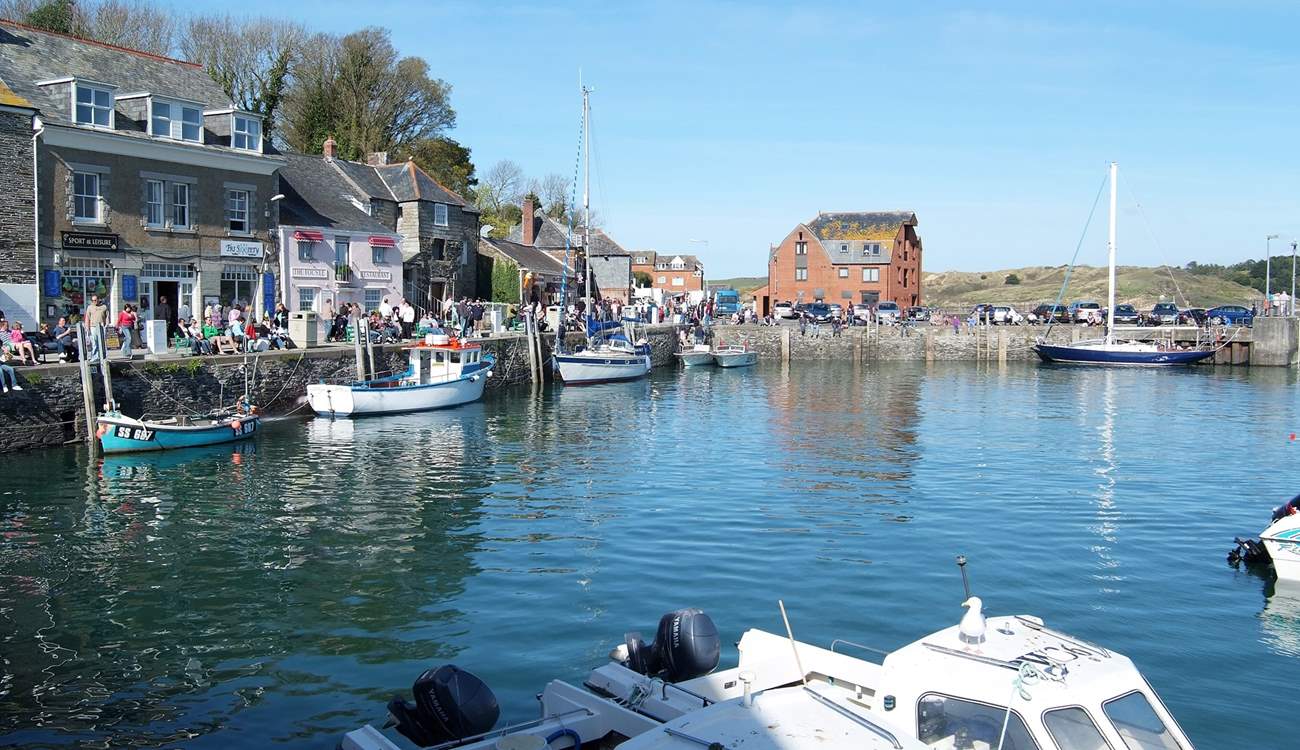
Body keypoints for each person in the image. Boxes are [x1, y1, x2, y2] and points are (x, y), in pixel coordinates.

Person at [84, 293, 109, 363]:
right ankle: (95, 356)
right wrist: (87, 328)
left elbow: (107, 316)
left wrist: (107, 325)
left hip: (101, 326)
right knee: (94, 342)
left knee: (102, 342)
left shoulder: (104, 307)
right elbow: (87, 318)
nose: (94, 301)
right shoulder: (90, 307)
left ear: (98, 299)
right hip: (93, 326)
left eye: (95, 300)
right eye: (92, 300)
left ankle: (103, 357)